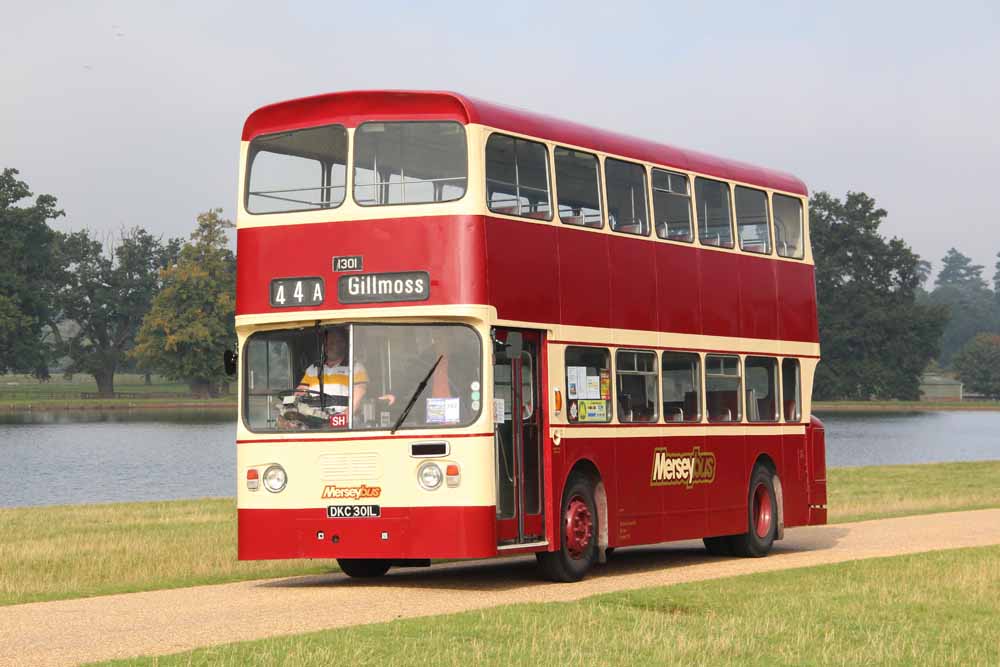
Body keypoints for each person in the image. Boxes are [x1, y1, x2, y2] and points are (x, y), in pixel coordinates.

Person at [295, 327, 368, 414]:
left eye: (332, 343)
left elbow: (359, 393)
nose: (328, 346)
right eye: (326, 343)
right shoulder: (313, 368)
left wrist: (345, 417)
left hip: (342, 422)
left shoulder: (355, 367)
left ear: (342, 344)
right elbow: (301, 391)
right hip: (314, 420)